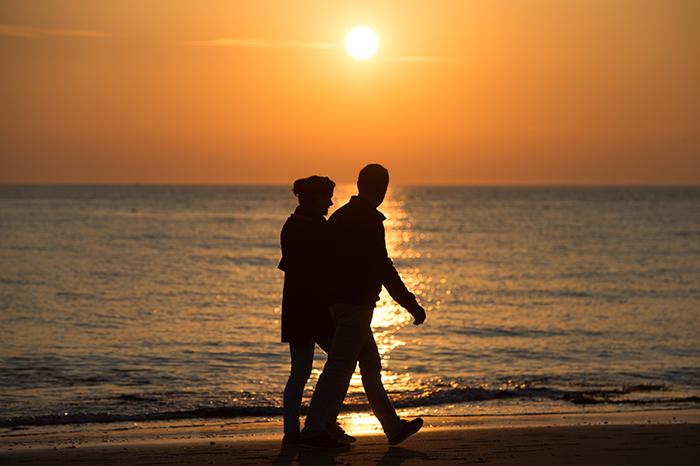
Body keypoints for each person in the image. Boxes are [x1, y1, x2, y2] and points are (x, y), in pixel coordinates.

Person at [300, 164, 427, 449]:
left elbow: (323, 263)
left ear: (358, 184)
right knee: (339, 367)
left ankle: (393, 428)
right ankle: (314, 429)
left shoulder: (340, 216)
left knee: (370, 364)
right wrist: (410, 304)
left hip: (338, 303)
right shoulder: (369, 220)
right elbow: (383, 267)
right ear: (382, 189)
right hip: (354, 305)